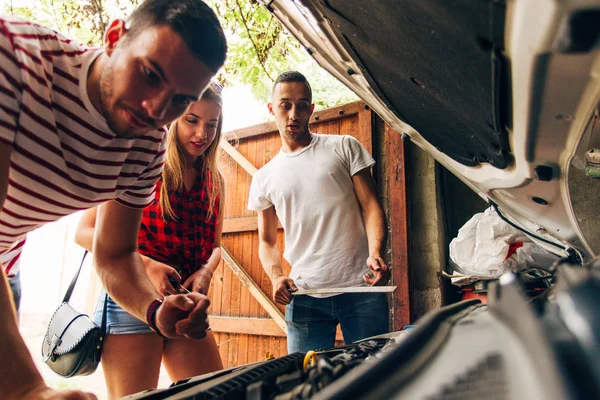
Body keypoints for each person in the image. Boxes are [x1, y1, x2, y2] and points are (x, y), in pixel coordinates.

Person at [0, 1, 227, 398]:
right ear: (114, 37)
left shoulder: (148, 142)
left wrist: (155, 312)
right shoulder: (14, 57)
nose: (156, 109)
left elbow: (116, 254)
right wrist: (27, 387)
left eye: (179, 101)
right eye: (150, 75)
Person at [75, 83, 225, 399]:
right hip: (131, 301)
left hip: (185, 304)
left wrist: (206, 271)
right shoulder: (140, 161)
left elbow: (215, 247)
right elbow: (84, 232)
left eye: (212, 124)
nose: (202, 133)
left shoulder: (215, 179)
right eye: (192, 120)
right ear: (172, 118)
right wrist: (149, 266)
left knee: (217, 393)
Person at [247, 71, 391, 353]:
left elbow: (371, 205)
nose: (293, 114)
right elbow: (266, 241)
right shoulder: (264, 178)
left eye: (302, 105)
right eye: (285, 105)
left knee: (374, 379)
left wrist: (376, 252)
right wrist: (276, 276)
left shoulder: (344, 147)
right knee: (308, 385)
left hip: (361, 288)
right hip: (305, 297)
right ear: (271, 109)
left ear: (311, 109)